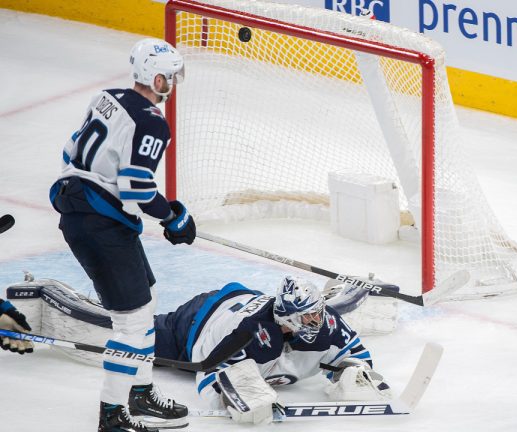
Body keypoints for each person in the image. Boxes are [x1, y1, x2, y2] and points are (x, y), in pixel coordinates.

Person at [49, 38, 196, 432]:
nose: (173, 84)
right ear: (157, 76)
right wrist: (171, 218)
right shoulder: (151, 121)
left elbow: (69, 152)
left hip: (87, 212)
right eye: (171, 77)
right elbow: (135, 187)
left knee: (146, 304)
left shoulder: (106, 97)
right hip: (100, 226)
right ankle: (112, 416)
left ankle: (141, 393)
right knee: (131, 324)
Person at [153, 275, 392, 425]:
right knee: (135, 335)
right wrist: (233, 397)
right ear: (288, 318)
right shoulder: (248, 334)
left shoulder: (326, 323)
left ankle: (336, 291)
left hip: (247, 298)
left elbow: (356, 354)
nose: (316, 320)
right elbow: (207, 373)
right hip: (195, 324)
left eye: (317, 311)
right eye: (307, 316)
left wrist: (351, 372)